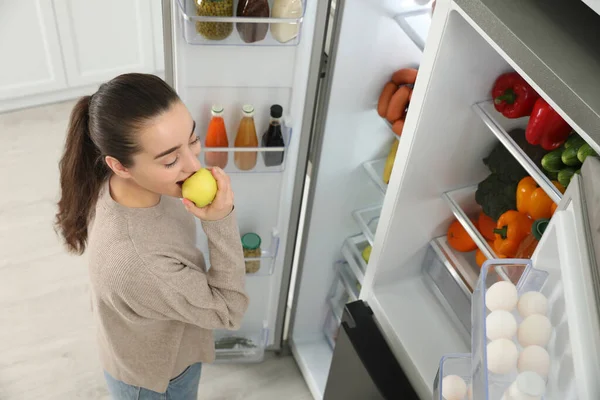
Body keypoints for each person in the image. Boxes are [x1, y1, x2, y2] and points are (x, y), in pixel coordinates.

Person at [55, 73, 249, 399]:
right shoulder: (140, 262)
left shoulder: (127, 184)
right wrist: (221, 221)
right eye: (171, 160)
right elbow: (229, 312)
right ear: (120, 166)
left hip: (146, 348)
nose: (194, 165)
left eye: (193, 139)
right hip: (158, 382)